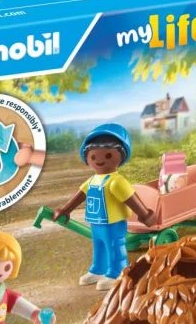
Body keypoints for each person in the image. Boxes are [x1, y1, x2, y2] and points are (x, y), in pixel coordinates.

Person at [53, 123, 156, 290]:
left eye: (108, 155)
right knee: (99, 246)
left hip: (113, 223)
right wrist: (66, 210)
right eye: (93, 157)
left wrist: (144, 214)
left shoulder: (116, 182)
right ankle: (98, 269)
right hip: (96, 222)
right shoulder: (92, 180)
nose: (99, 160)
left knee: (114, 247)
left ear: (121, 156)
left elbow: (131, 198)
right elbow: (80, 195)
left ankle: (117, 271)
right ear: (87, 158)